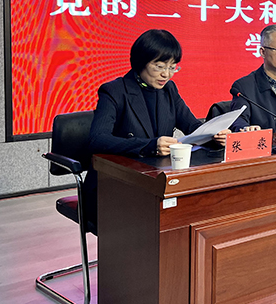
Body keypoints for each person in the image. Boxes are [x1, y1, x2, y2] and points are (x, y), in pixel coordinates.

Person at [84, 29, 231, 226]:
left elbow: (192, 125)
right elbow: (97, 139)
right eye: (160, 66)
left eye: (172, 67)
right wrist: (150, 146)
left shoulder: (169, 90)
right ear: (141, 62)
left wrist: (214, 135)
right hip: (117, 183)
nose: (166, 74)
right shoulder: (114, 91)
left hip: (157, 180)